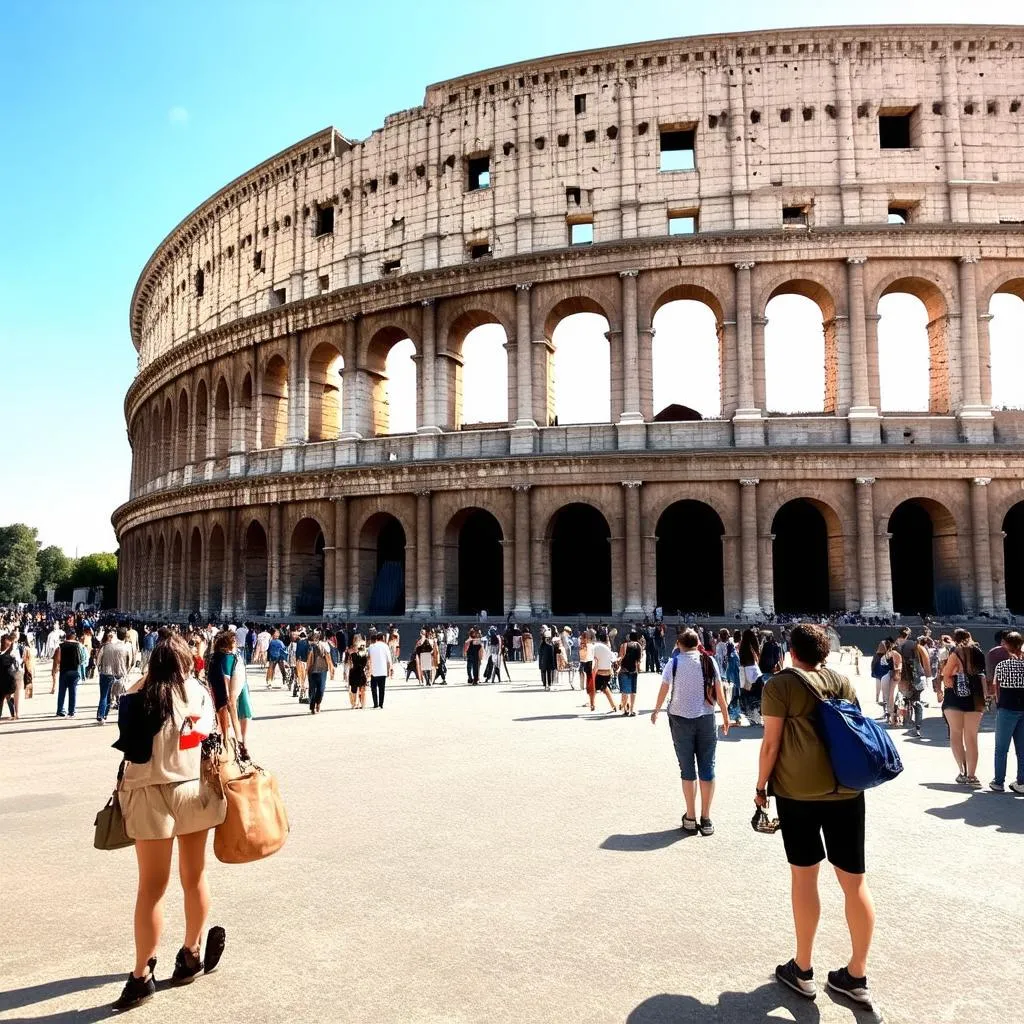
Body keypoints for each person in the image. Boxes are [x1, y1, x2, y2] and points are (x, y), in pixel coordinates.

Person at [756, 623, 875, 1008]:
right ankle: (856, 975)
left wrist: (760, 788)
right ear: (825, 653)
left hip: (798, 793)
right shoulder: (842, 682)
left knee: (805, 878)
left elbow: (771, 744)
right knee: (854, 883)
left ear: (791, 652)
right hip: (846, 790)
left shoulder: (780, 685)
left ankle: (802, 969)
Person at [111, 632, 228, 1011]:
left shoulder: (136, 695)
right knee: (194, 878)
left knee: (151, 890)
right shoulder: (198, 693)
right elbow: (211, 737)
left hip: (147, 794)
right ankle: (191, 953)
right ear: (184, 662)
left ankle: (141, 975)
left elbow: (125, 733)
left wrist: (143, 679)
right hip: (191, 790)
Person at [651, 629, 730, 834]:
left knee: (687, 769)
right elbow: (719, 691)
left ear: (679, 644)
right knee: (707, 768)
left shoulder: (674, 662)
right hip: (706, 717)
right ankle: (706, 818)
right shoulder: (709, 661)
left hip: (680, 719)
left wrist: (656, 709)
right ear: (698, 643)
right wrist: (725, 715)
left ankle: (690, 817)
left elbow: (664, 688)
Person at [941, 629, 989, 787]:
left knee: (956, 734)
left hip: (955, 697)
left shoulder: (956, 652)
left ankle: (962, 771)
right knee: (972, 738)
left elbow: (946, 676)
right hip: (975, 697)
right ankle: (972, 776)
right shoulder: (979, 652)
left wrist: (954, 673)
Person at [990, 631, 1024, 793]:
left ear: (1007, 646)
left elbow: (996, 688)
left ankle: (998, 781)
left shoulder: (1002, 665)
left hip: (1006, 708)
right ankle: (1022, 782)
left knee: (1001, 749)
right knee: (1022, 749)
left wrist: (998, 703)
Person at [206, 630, 248, 744]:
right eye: (233, 640)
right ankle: (239, 741)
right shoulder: (228, 657)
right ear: (227, 643)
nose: (235, 642)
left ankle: (231, 739)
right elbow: (226, 678)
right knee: (233, 710)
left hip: (215, 689)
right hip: (226, 692)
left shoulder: (214, 657)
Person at [97, 627, 133, 725]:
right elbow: (129, 663)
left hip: (106, 672)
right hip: (120, 674)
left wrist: (100, 669)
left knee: (104, 695)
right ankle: (122, 717)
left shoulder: (106, 646)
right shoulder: (126, 648)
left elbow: (98, 660)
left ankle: (102, 715)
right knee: (121, 697)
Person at [52, 628, 82, 717]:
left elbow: (57, 660)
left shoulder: (61, 646)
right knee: (73, 692)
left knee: (62, 691)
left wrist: (57, 667)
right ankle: (71, 711)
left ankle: (60, 710)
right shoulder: (78, 646)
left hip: (64, 671)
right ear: (74, 636)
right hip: (74, 670)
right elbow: (82, 659)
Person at [591, 629, 619, 713]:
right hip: (608, 672)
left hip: (599, 672)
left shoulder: (594, 647)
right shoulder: (607, 648)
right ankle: (613, 705)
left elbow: (591, 659)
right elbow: (613, 659)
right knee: (605, 688)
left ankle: (592, 704)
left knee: (595, 688)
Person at [305, 630, 334, 713]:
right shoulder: (309, 646)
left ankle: (318, 703)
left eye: (316, 637)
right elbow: (307, 659)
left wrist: (331, 668)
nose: (315, 639)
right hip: (312, 670)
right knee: (312, 689)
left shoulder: (325, 646)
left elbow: (328, 657)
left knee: (321, 689)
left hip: (322, 670)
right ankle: (312, 707)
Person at [618, 630, 643, 716]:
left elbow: (620, 657)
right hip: (633, 670)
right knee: (633, 691)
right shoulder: (639, 646)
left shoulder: (624, 645)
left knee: (625, 691)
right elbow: (639, 660)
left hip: (624, 670)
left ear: (629, 638)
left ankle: (625, 710)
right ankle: (632, 710)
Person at [367, 631, 392, 709]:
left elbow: (368, 658)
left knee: (373, 687)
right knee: (382, 688)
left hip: (373, 670)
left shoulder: (371, 646)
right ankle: (381, 704)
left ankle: (375, 704)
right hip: (382, 670)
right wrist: (391, 667)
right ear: (383, 638)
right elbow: (389, 658)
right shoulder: (385, 646)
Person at [344, 635, 369, 709]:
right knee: (361, 688)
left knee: (355, 689)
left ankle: (355, 703)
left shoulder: (350, 651)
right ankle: (361, 704)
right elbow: (366, 662)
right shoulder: (363, 651)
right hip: (360, 671)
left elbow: (347, 663)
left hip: (354, 672)